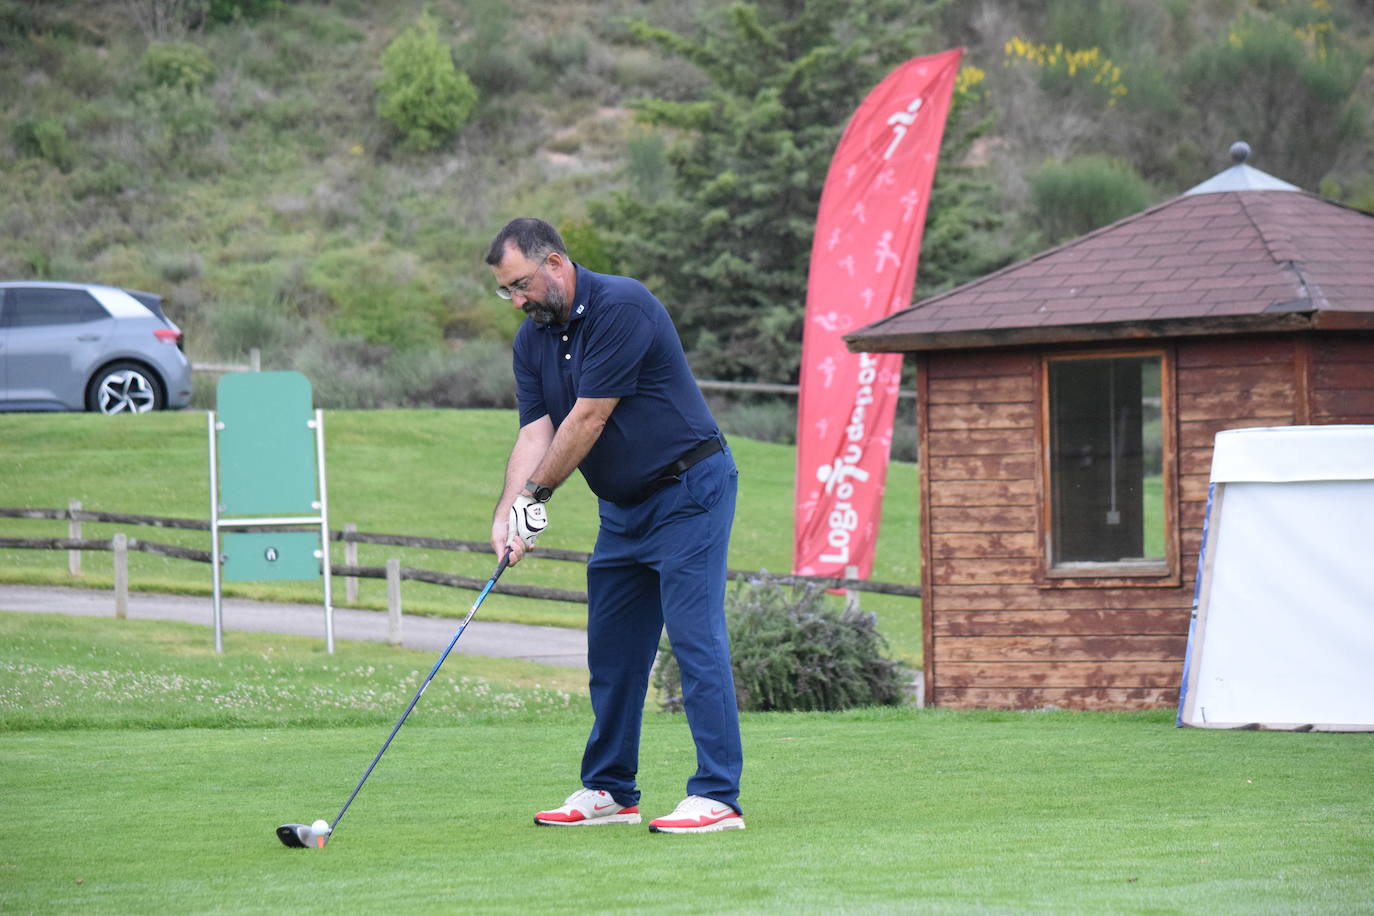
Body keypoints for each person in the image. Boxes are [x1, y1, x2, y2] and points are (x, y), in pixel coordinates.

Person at [485, 217, 745, 834]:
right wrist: (508, 511)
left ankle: (717, 796)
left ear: (555, 262)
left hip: (689, 490)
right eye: (505, 291)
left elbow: (590, 417)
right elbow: (536, 430)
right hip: (623, 509)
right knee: (614, 651)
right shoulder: (533, 340)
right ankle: (610, 790)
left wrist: (537, 495)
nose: (516, 301)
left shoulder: (622, 305)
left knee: (693, 638)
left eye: (521, 284)